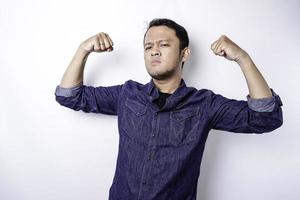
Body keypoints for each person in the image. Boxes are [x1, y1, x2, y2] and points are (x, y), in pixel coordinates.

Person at [54, 18, 283, 200]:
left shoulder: (204, 104)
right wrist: (83, 49)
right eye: (148, 46)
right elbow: (69, 96)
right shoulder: (127, 94)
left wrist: (243, 59)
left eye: (164, 45)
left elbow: (266, 118)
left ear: (185, 53)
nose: (155, 51)